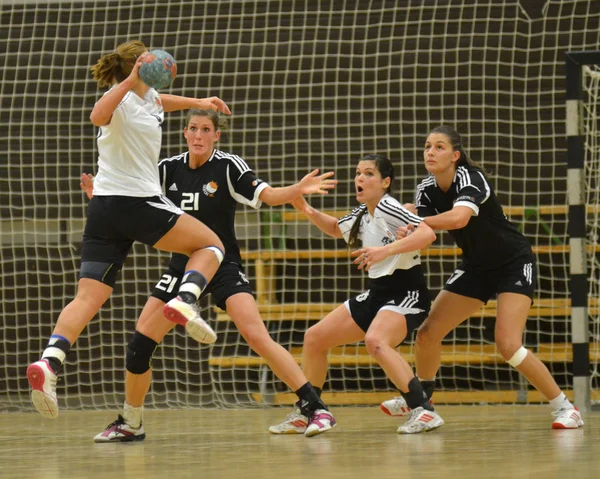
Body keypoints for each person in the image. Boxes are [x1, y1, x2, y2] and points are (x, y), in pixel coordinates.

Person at [88, 108, 340, 442]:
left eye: (206, 129)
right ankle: (130, 422)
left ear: (216, 135)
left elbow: (267, 195)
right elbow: (134, 201)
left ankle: (314, 407)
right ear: (184, 132)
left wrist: (297, 188)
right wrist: (102, 198)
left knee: (255, 335)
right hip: (182, 267)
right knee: (140, 344)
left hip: (222, 264)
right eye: (193, 128)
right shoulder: (165, 169)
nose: (198, 135)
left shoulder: (227, 166)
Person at [26, 40, 232, 420]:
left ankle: (49, 362)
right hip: (136, 202)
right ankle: (185, 300)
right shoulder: (120, 97)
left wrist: (198, 101)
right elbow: (96, 115)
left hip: (104, 209)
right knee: (211, 246)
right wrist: (132, 78)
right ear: (138, 66)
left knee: (88, 297)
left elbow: (160, 101)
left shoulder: (148, 98)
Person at [379, 125, 583, 431]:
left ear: (455, 155)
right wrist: (403, 223)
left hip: (512, 263)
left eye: (439, 147)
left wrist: (414, 219)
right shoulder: (426, 188)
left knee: (508, 344)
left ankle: (565, 407)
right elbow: (425, 230)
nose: (430, 152)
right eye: (427, 147)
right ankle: (423, 400)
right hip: (475, 267)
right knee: (427, 334)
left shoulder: (471, 178)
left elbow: (459, 217)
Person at [269, 154, 444, 435]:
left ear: (386, 182)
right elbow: (335, 228)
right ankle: (308, 411)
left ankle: (422, 410)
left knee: (376, 341)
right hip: (378, 294)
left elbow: (427, 235)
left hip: (406, 292)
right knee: (315, 338)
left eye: (369, 174)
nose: (360, 178)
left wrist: (384, 251)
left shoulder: (389, 206)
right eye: (358, 173)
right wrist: (304, 207)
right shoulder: (363, 212)